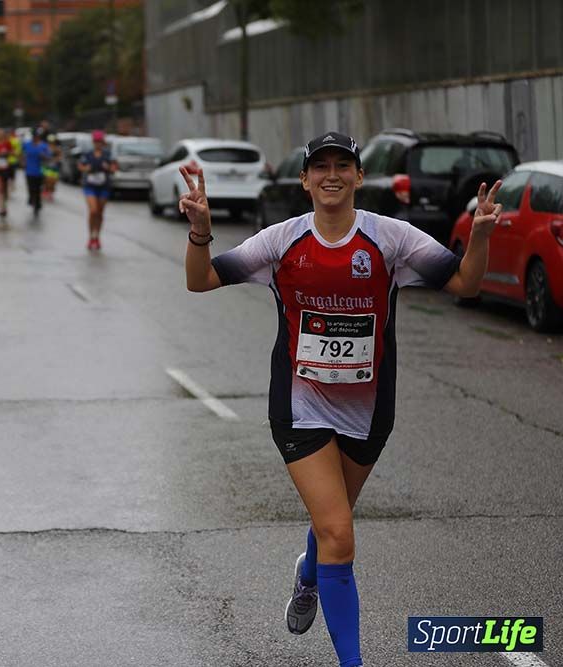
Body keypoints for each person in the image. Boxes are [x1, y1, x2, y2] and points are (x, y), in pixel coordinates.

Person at [179, 132, 502, 667]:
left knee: (334, 524)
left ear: (357, 177)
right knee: (339, 533)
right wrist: (201, 234)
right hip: (299, 406)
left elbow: (466, 284)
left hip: (369, 410)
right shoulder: (281, 241)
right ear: (305, 180)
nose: (332, 174)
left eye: (343, 165)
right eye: (320, 166)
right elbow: (201, 281)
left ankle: (308, 574)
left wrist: (483, 236)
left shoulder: (391, 239)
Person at [78, 130, 116, 251]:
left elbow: (114, 168)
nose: (98, 144)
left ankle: (97, 237)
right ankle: (90, 236)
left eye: (99, 142)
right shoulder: (88, 154)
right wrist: (86, 168)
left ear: (103, 142)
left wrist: (108, 168)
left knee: (99, 213)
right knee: (93, 211)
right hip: (90, 186)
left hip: (104, 187)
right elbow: (80, 166)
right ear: (93, 142)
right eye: (96, 141)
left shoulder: (107, 154)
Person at [21, 128, 52, 216]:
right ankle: (31, 199)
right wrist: (22, 161)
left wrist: (43, 156)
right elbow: (22, 154)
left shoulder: (43, 146)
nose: (36, 138)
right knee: (31, 187)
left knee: (38, 188)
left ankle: (37, 205)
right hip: (29, 171)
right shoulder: (27, 145)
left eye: (38, 136)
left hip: (40, 171)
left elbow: (49, 157)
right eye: (35, 136)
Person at [42, 134, 62, 202]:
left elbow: (60, 157)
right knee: (47, 180)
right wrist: (47, 158)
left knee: (53, 182)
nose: (51, 143)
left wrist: (56, 159)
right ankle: (46, 191)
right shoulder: (45, 148)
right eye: (50, 141)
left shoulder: (57, 149)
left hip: (55, 168)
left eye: (52, 141)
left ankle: (50, 192)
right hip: (47, 167)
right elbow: (43, 156)